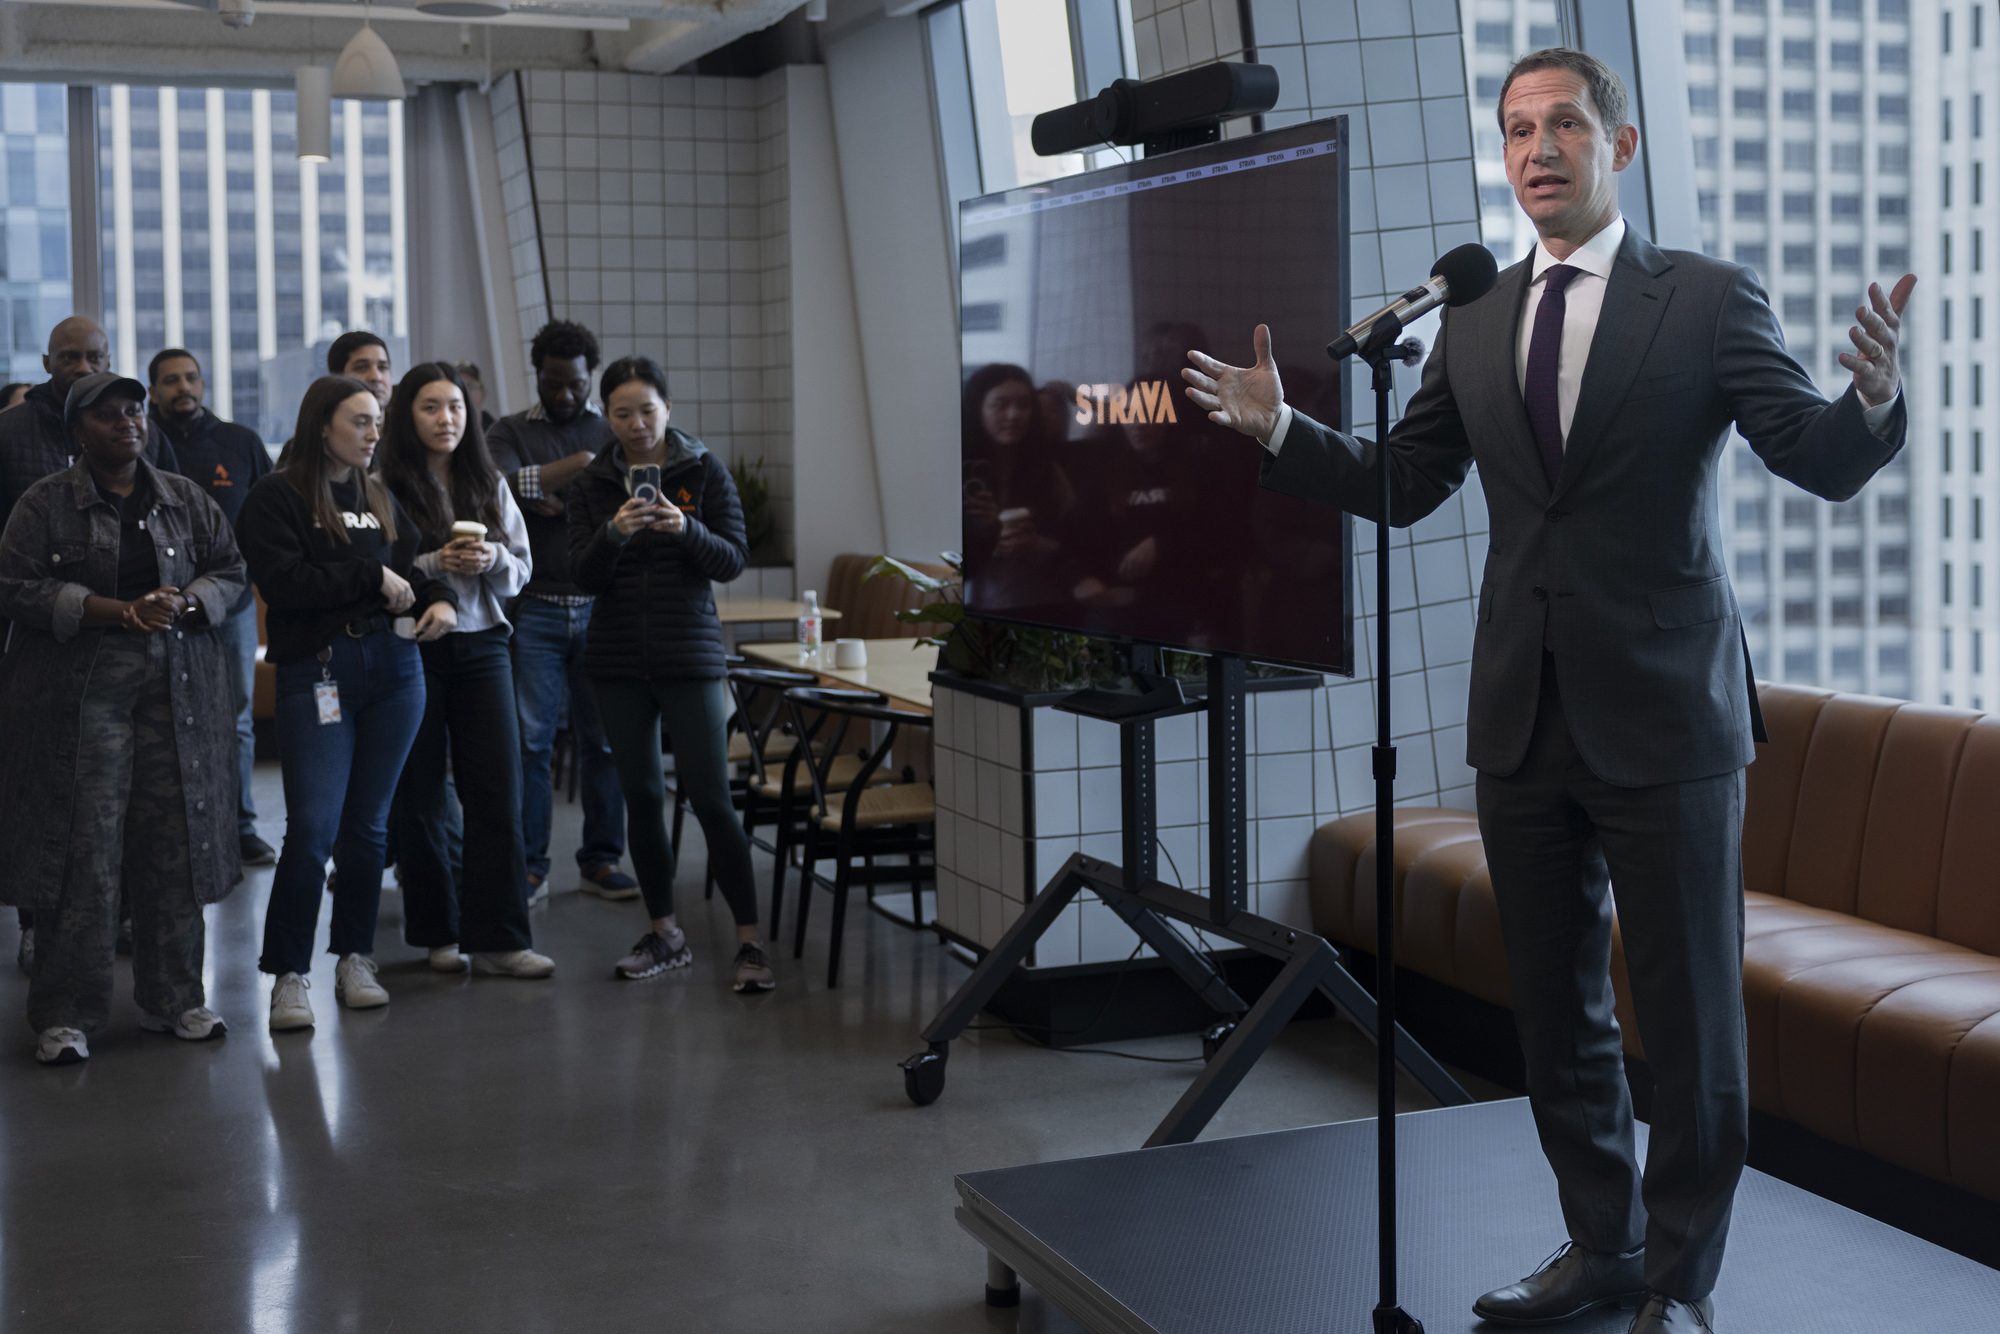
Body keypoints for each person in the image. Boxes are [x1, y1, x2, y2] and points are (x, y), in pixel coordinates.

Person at [1181, 49, 1912, 1334]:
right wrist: (1284, 431)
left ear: (1617, 146)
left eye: (1562, 123)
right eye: (1516, 128)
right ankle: (1600, 1243)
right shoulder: (1469, 312)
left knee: (1687, 1022)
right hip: (1521, 711)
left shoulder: (1702, 299)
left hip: (1670, 719)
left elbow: (1810, 451)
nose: (1536, 149)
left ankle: (1677, 1278)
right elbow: (1407, 481)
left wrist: (1872, 396)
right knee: (1557, 1007)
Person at [0, 371, 246, 1064]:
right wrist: (115, 611)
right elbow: (16, 588)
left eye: (133, 412)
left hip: (177, 688)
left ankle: (175, 1000)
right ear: (78, 431)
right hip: (82, 692)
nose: (125, 423)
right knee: (85, 850)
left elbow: (230, 569)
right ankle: (66, 1015)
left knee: (174, 841)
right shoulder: (44, 504)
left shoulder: (184, 499)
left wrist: (190, 602)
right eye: (106, 415)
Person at [237, 376, 457, 1032]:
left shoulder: (377, 493)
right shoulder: (276, 497)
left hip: (396, 673)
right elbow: (283, 583)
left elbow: (409, 568)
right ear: (322, 424)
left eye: (376, 421)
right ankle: (287, 975)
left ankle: (355, 956)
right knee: (312, 829)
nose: (373, 433)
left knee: (369, 828)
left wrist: (436, 597)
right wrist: (368, 577)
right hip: (321, 674)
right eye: (360, 421)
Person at [566, 355, 772, 992]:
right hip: (617, 660)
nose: (636, 424)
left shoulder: (703, 469)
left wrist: (686, 527)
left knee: (712, 799)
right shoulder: (593, 483)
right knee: (644, 799)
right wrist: (614, 533)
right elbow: (581, 576)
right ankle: (665, 934)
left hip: (691, 658)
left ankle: (750, 944)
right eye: (622, 413)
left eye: (647, 411)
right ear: (606, 415)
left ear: (668, 409)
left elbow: (733, 559)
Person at [0, 317, 180, 971]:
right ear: (48, 361)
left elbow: (187, 533)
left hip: (138, 653)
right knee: (46, 797)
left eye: (94, 355)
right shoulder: (12, 432)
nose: (80, 364)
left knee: (128, 801)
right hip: (35, 642)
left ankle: (122, 917)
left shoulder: (140, 438)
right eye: (69, 356)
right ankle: (37, 922)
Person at [376, 363, 551, 979]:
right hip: (412, 647)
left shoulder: (489, 480)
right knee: (420, 798)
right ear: (406, 416)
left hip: (483, 647)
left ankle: (502, 939)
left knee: (496, 789)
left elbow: (522, 572)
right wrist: (434, 560)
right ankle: (437, 934)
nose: (445, 419)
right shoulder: (384, 483)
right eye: (429, 407)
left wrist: (491, 557)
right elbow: (377, 570)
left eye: (453, 407)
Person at [487, 319, 634, 905]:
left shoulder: (614, 429)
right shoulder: (509, 430)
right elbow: (495, 486)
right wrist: (577, 464)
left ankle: (601, 860)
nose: (566, 394)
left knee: (603, 743)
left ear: (589, 376)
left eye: (575, 383)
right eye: (554, 383)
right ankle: (529, 866)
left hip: (601, 607)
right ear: (539, 375)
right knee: (532, 744)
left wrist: (548, 493)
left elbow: (619, 503)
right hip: (537, 610)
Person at [147, 347, 277, 868]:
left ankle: (239, 827)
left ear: (203, 384)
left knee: (237, 719)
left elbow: (271, 514)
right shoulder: (142, 446)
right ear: (153, 390)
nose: (184, 388)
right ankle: (179, 832)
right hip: (159, 607)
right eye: (171, 380)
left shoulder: (239, 443)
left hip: (234, 604)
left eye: (191, 378)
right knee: (167, 718)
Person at [453, 360, 496, 431]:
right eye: (459, 386)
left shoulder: (498, 432)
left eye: (469, 387)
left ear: (483, 393)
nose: (464, 392)